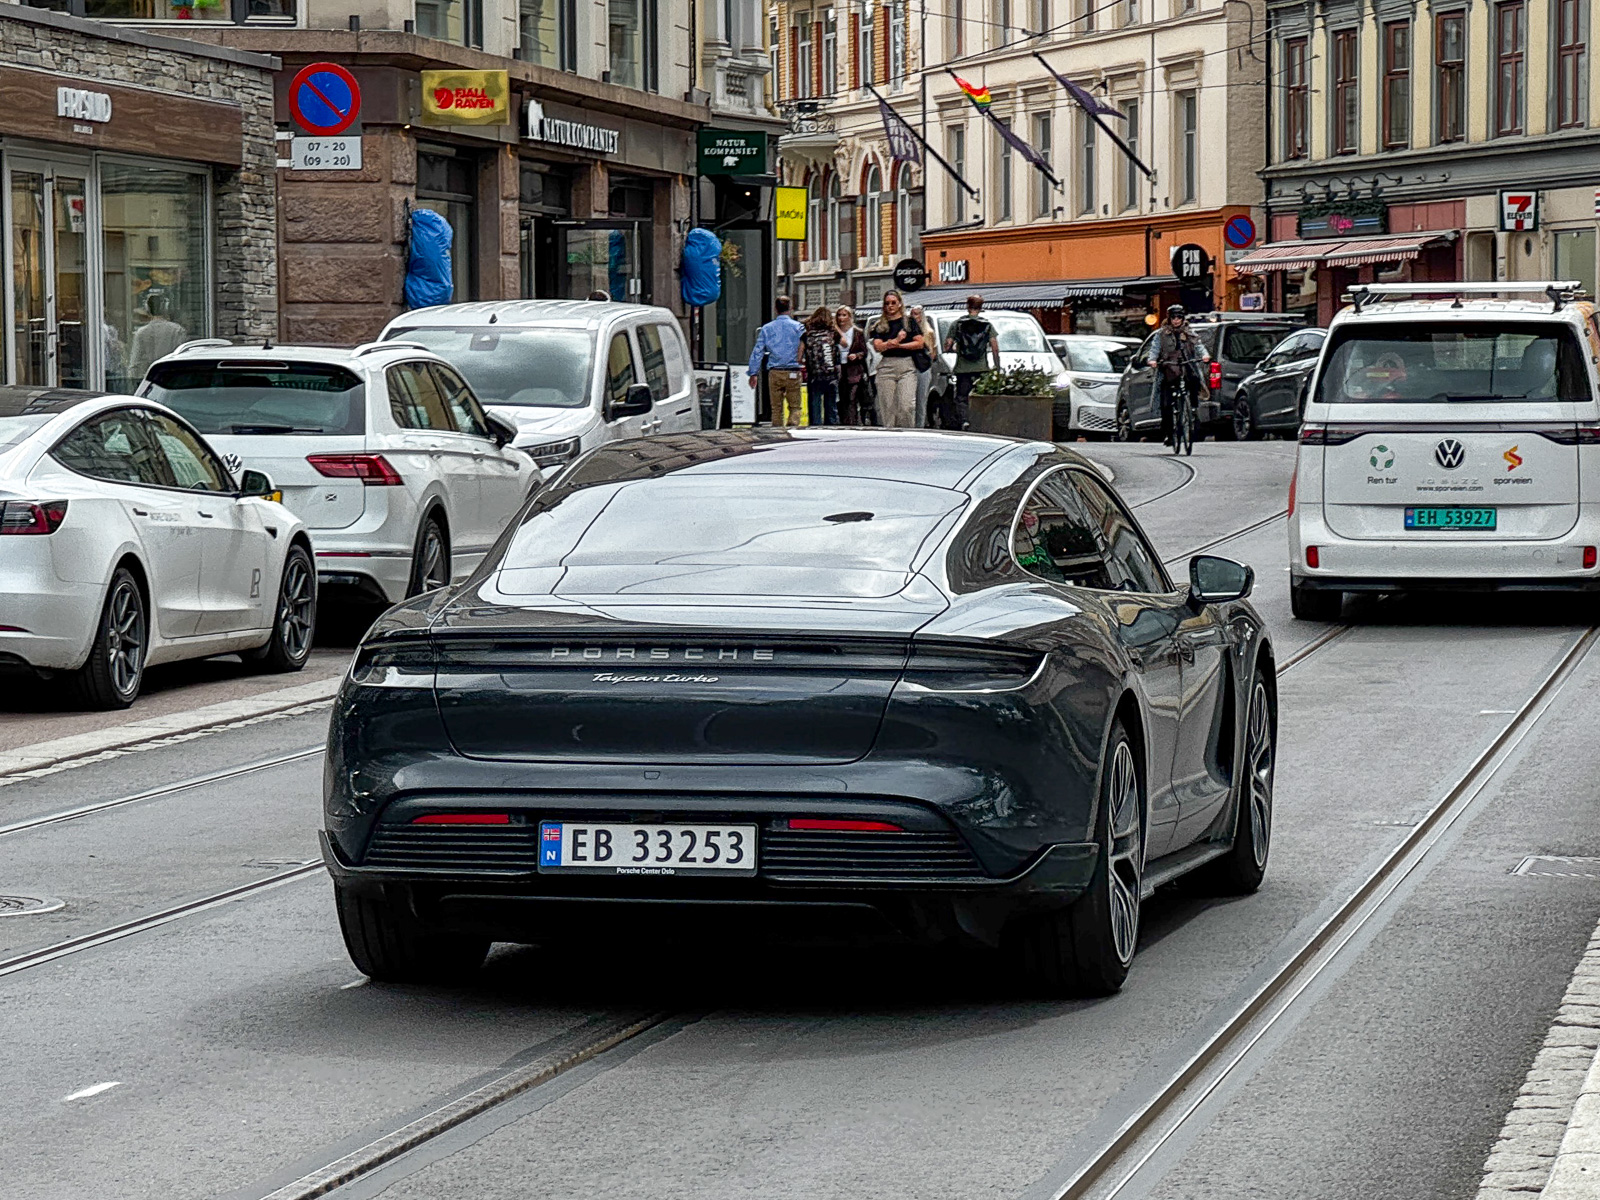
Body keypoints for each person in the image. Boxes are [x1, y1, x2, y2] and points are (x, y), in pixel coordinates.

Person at [1147, 304, 1209, 446]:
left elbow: (1199, 346)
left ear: (1182, 318)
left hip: (1186, 366)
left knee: (1194, 379)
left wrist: (1205, 355)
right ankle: (1169, 434)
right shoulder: (1161, 334)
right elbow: (1154, 349)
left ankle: (1192, 407)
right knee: (1166, 403)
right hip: (1168, 369)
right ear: (1169, 318)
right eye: (1173, 317)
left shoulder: (1189, 332)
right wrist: (1153, 360)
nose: (1176, 320)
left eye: (1179, 317)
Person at [942, 293, 1001, 430]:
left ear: (967, 306)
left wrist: (953, 346)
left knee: (962, 397)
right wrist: (997, 366)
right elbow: (995, 347)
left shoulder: (957, 324)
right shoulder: (987, 325)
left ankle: (964, 420)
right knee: (980, 396)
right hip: (981, 368)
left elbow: (947, 345)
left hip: (963, 368)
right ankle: (980, 420)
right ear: (981, 307)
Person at [868, 290, 926, 428]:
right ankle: (890, 435)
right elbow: (878, 346)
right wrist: (895, 341)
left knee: (907, 406)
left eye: (893, 302)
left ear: (900, 304)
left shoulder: (909, 322)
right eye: (887, 303)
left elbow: (919, 343)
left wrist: (899, 345)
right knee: (888, 408)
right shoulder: (879, 325)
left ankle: (907, 433)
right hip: (886, 366)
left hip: (906, 365)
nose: (890, 306)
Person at [747, 295, 807, 427]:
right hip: (793, 370)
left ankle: (777, 431)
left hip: (775, 372)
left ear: (775, 309)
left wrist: (753, 372)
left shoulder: (767, 328)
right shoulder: (798, 327)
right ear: (790, 308)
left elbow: (758, 351)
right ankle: (793, 428)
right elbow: (805, 346)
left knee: (776, 408)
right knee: (795, 406)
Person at [129, 292, 187, 381]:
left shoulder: (141, 333)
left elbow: (135, 363)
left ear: (147, 309)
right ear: (166, 308)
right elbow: (182, 359)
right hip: (171, 379)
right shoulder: (177, 330)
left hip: (148, 380)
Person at [801, 305, 842, 425]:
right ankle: (831, 427)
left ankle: (816, 427)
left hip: (814, 375)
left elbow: (799, 356)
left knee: (815, 404)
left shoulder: (807, 335)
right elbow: (843, 344)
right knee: (831, 405)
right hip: (830, 374)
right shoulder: (833, 334)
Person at [835, 306, 869, 425]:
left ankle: (852, 422)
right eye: (839, 315)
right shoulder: (835, 333)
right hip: (839, 368)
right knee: (841, 398)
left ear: (849, 317)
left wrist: (856, 355)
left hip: (853, 369)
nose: (841, 318)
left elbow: (864, 351)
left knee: (852, 397)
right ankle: (843, 422)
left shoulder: (857, 332)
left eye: (844, 315)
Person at [910, 305, 934, 427]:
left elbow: (932, 352)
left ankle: (919, 425)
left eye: (917, 313)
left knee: (921, 399)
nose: (915, 316)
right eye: (913, 314)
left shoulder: (928, 332)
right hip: (909, 365)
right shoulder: (908, 330)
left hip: (922, 367)